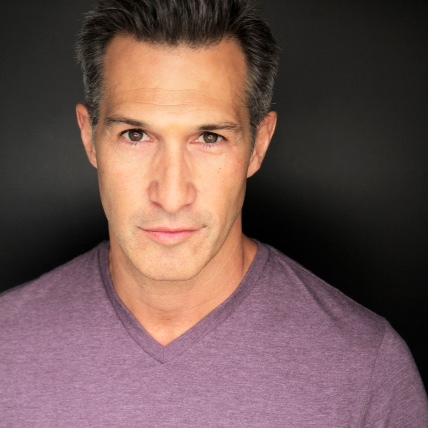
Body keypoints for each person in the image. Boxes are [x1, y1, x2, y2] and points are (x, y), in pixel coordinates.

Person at [1, 0, 427, 426]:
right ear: (89, 137)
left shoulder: (366, 369)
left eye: (209, 137)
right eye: (135, 135)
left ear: (259, 145)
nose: (171, 196)